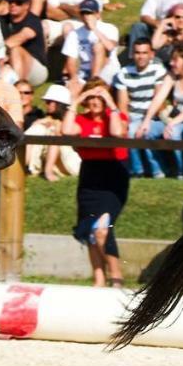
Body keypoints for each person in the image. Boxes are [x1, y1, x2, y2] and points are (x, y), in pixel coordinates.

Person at [62, 79, 129, 287]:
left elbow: (118, 133)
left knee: (102, 228)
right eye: (90, 97)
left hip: (113, 175)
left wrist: (110, 102)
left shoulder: (116, 117)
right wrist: (76, 100)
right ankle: (99, 278)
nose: (94, 101)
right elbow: (66, 131)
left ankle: (116, 276)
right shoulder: (81, 120)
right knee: (91, 230)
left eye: (98, 97)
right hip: (90, 175)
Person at [137, 42, 183, 181]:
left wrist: (172, 124)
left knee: (174, 132)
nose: (171, 63)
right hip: (176, 121)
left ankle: (182, 172)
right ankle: (159, 170)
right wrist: (146, 121)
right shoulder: (172, 76)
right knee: (148, 131)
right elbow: (158, 98)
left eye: (175, 60)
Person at [113, 38, 167, 178]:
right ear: (132, 54)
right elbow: (123, 105)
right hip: (133, 116)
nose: (141, 56)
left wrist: (145, 122)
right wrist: (125, 122)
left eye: (144, 53)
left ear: (151, 54)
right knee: (129, 130)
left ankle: (157, 170)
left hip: (154, 117)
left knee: (145, 132)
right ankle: (137, 171)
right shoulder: (124, 73)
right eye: (137, 53)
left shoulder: (158, 71)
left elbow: (159, 102)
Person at [60, 0, 119, 94]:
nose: (86, 16)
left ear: (97, 14)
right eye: (83, 13)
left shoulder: (110, 28)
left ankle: (93, 82)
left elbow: (110, 47)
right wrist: (74, 78)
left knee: (98, 46)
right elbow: (71, 59)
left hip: (107, 69)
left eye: (89, 13)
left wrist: (94, 29)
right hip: (84, 72)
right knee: (71, 90)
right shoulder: (75, 34)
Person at [24, 83, 80, 181]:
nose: (46, 104)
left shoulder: (72, 118)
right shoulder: (48, 119)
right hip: (58, 163)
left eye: (49, 102)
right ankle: (23, 164)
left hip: (73, 163)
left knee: (54, 135)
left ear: (58, 103)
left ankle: (47, 171)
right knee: (39, 128)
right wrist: (39, 123)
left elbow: (65, 132)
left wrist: (54, 124)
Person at [0, 0, 48, 85]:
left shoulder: (33, 20)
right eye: (10, 1)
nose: (13, 5)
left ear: (26, 5)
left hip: (36, 71)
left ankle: (19, 88)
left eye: (18, 3)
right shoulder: (2, 20)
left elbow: (20, 38)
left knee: (15, 48)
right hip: (9, 62)